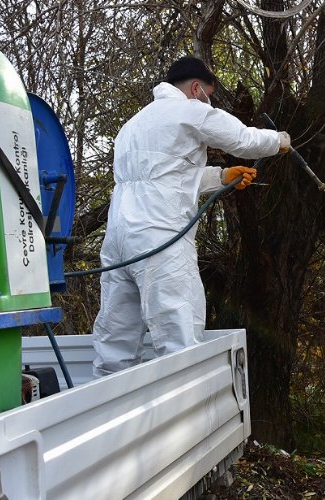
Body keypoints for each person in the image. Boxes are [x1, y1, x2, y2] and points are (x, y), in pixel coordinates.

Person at [92, 56, 290, 376]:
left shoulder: (133, 125)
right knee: (178, 334)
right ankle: (184, 418)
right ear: (196, 88)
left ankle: (106, 411)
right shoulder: (189, 109)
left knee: (116, 338)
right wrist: (276, 141)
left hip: (118, 240)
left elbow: (166, 177)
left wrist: (222, 177)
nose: (209, 101)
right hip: (161, 236)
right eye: (208, 94)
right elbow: (241, 138)